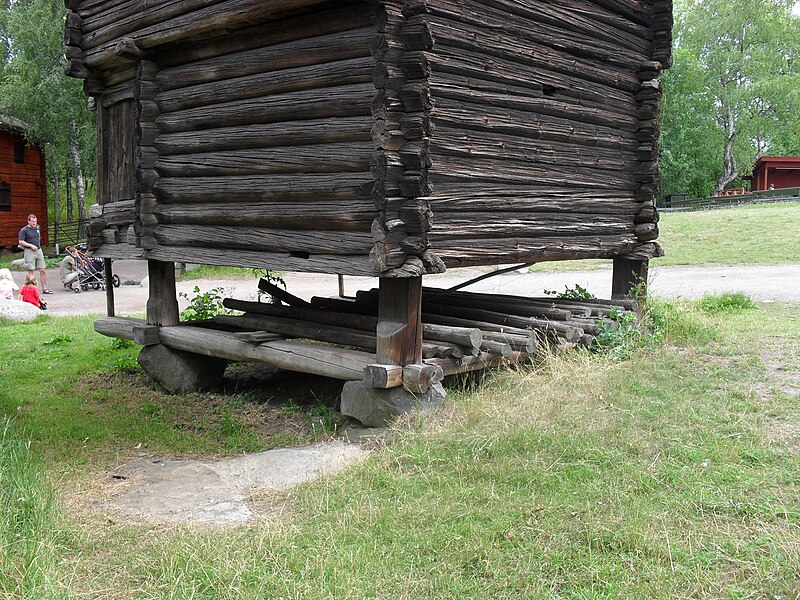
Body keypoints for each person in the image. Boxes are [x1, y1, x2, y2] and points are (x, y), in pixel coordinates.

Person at [18, 214, 51, 294]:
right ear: (28, 221)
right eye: (32, 222)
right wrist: (31, 245)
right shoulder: (24, 230)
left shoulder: (37, 228)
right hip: (29, 251)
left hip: (38, 250)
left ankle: (45, 288)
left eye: (35, 221)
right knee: (31, 270)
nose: (34, 223)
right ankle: (31, 289)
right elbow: (20, 241)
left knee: (42, 270)